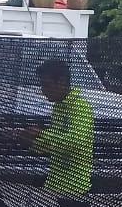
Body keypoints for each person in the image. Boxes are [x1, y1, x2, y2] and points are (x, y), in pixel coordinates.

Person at [20, 58, 95, 197]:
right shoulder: (58, 107)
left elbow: (76, 141)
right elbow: (57, 143)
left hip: (75, 188)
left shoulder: (80, 107)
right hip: (56, 185)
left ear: (61, 82)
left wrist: (42, 134)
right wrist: (32, 142)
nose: (43, 91)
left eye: (47, 85)